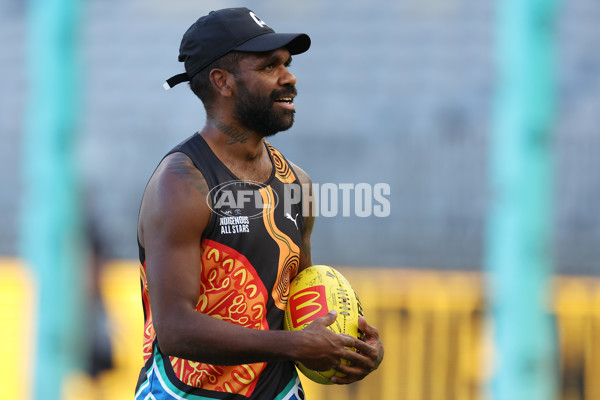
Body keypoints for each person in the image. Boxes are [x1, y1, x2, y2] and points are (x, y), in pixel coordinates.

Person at [135, 7, 383, 400]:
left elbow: (299, 299)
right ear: (223, 82)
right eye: (270, 67)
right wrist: (297, 345)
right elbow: (177, 330)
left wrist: (351, 344)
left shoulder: (296, 182)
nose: (290, 77)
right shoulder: (182, 183)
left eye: (287, 63)